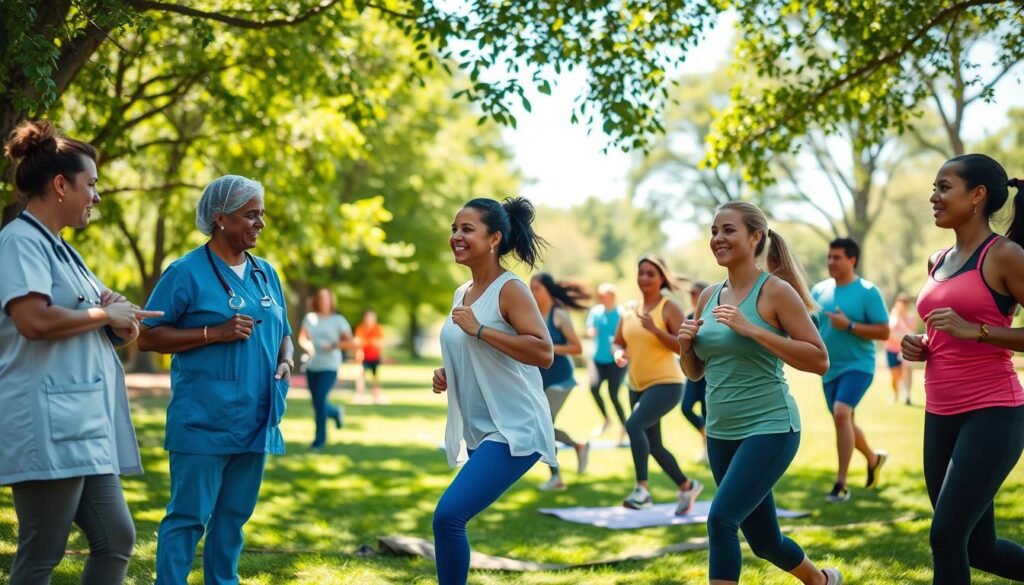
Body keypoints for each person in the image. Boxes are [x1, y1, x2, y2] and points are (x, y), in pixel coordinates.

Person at [0, 120, 161, 585]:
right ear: (59, 185)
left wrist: (119, 320)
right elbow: (34, 321)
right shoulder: (20, 243)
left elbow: (111, 320)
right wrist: (104, 316)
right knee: (42, 552)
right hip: (46, 424)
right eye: (90, 185)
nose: (96, 195)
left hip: (81, 424)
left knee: (116, 538)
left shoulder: (67, 253)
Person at [138, 175, 293, 585]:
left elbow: (285, 332)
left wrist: (288, 361)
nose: (260, 223)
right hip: (203, 419)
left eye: (261, 214)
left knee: (232, 519)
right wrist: (213, 333)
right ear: (221, 219)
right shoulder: (185, 273)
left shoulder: (265, 274)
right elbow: (147, 336)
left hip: (257, 418)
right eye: (251, 215)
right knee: (188, 517)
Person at [680, 201, 841, 585]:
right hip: (720, 431)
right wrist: (685, 348)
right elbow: (697, 371)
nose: (718, 238)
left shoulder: (775, 292)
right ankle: (820, 581)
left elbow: (819, 360)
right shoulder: (708, 296)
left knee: (721, 520)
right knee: (765, 540)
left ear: (755, 237)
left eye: (728, 230)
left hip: (769, 426)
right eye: (714, 230)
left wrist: (753, 330)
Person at [902, 154, 1024, 584]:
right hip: (940, 413)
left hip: (994, 411)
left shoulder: (1005, 255)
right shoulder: (936, 259)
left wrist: (980, 331)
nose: (933, 197)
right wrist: (919, 346)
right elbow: (944, 331)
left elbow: (973, 328)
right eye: (933, 188)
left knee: (947, 535)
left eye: (943, 187)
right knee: (978, 548)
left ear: (977, 196)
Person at [431, 196, 557, 585]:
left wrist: (480, 331)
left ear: (494, 238)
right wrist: (449, 371)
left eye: (467, 229)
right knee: (452, 518)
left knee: (448, 516)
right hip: (482, 428)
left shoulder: (510, 289)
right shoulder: (461, 292)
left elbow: (543, 352)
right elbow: (475, 348)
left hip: (516, 427)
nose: (456, 236)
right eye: (454, 228)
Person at [613, 254, 702, 513]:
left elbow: (683, 346)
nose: (644, 278)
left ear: (661, 278)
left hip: (667, 383)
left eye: (651, 273)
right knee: (653, 445)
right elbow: (618, 341)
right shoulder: (628, 309)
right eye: (641, 272)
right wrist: (619, 352)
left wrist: (655, 330)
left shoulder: (668, 307)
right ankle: (687, 486)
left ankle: (642, 490)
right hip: (636, 384)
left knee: (633, 425)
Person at [811, 237, 890, 503]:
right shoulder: (819, 291)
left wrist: (850, 326)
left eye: (837, 257)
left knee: (841, 414)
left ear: (852, 260)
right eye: (829, 257)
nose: (831, 262)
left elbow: (884, 331)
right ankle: (873, 458)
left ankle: (841, 484)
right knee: (843, 420)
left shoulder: (868, 291)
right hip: (828, 368)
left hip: (859, 366)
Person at [529, 273, 591, 491]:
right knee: (539, 427)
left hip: (561, 379)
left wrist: (549, 349)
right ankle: (578, 445)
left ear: (547, 289)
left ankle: (556, 477)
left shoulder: (559, 315)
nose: (532, 291)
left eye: (536, 287)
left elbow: (577, 347)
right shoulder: (532, 314)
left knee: (543, 426)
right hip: (539, 379)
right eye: (531, 287)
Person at [299, 288, 353, 449]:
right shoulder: (310, 318)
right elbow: (302, 337)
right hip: (312, 364)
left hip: (330, 365)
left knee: (320, 400)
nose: (323, 301)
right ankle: (335, 412)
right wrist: (307, 345)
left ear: (331, 301)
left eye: (326, 298)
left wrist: (334, 345)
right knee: (317, 402)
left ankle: (319, 440)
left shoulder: (338, 320)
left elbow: (350, 342)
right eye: (320, 298)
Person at [585, 282, 628, 443]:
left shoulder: (621, 313)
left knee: (613, 394)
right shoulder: (596, 312)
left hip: (616, 360)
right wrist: (591, 331)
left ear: (613, 297)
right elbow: (590, 328)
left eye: (604, 296)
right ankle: (606, 420)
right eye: (599, 296)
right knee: (594, 388)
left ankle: (624, 427)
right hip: (598, 359)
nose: (601, 298)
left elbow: (626, 334)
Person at [681, 281, 710, 462]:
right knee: (686, 408)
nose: (692, 297)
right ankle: (704, 435)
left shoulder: (711, 314)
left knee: (708, 412)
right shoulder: (688, 316)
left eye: (695, 293)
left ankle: (707, 449)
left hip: (709, 373)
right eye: (690, 293)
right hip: (693, 373)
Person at [885, 293, 916, 405]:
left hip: (904, 349)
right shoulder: (892, 316)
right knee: (895, 376)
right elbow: (890, 330)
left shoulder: (910, 318)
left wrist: (902, 322)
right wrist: (897, 317)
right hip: (891, 349)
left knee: (907, 372)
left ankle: (907, 396)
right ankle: (895, 394)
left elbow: (910, 333)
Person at [354, 309, 386, 404]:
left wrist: (368, 342)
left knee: (375, 377)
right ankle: (360, 395)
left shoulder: (378, 328)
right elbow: (359, 341)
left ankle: (375, 395)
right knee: (360, 375)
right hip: (364, 357)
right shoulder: (361, 328)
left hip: (375, 356)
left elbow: (380, 342)